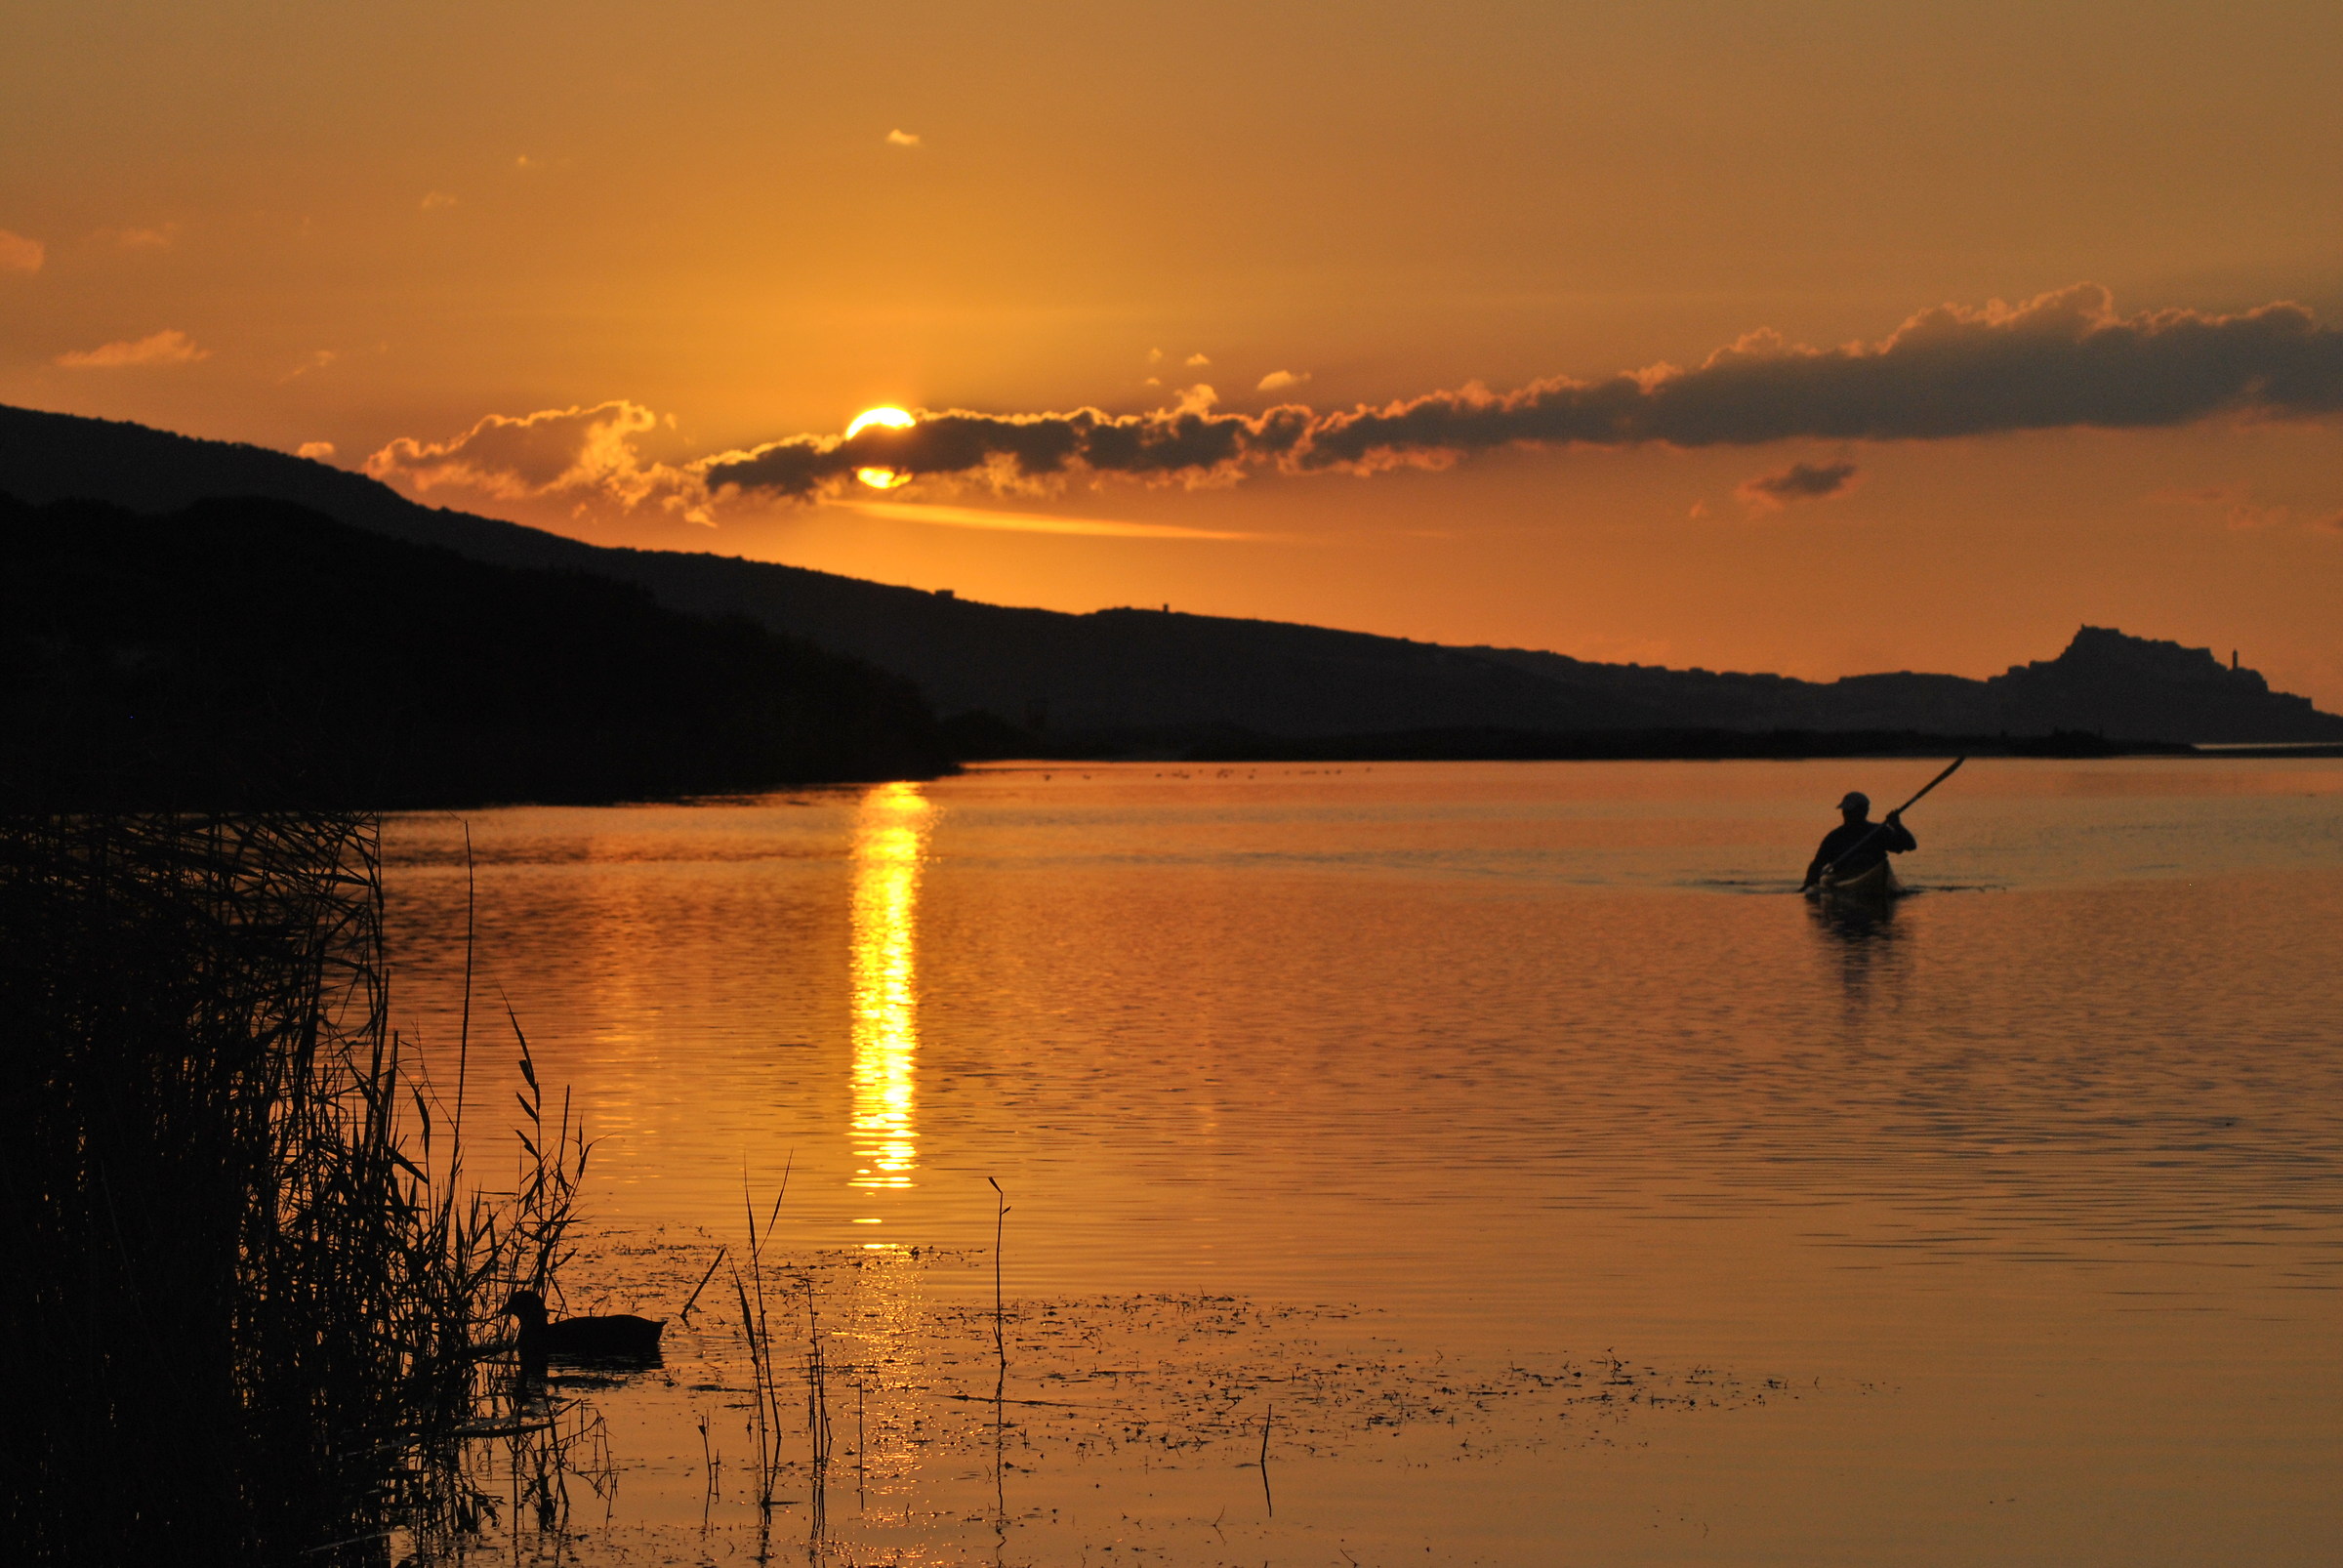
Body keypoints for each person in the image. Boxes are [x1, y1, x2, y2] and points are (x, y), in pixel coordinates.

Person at [1801, 790, 1915, 890]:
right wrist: (1810, 881)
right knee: (1858, 860)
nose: (1847, 814)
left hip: (1874, 867)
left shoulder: (1879, 831)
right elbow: (1818, 864)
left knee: (1865, 859)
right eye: (1846, 811)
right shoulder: (1834, 837)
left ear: (1864, 811)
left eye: (1851, 811)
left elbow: (1910, 845)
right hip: (1845, 876)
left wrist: (1897, 825)